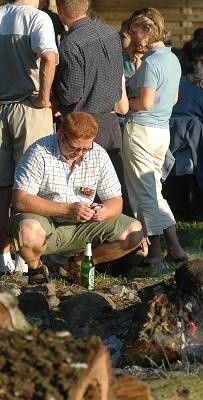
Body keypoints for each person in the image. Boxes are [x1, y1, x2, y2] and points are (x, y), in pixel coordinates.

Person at [8, 112, 144, 285]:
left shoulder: (99, 155)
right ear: (60, 135)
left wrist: (104, 212)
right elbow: (20, 199)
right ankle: (36, 270)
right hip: (45, 224)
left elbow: (116, 201)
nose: (80, 154)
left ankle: (77, 264)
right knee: (27, 229)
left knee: (134, 232)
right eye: (74, 148)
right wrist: (68, 209)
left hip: (82, 227)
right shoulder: (39, 152)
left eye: (86, 148)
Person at [123, 7, 188, 265]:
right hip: (162, 131)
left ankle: (155, 252)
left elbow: (146, 102)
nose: (133, 35)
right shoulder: (172, 59)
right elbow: (173, 98)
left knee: (143, 194)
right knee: (154, 190)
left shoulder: (152, 62)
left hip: (141, 129)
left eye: (136, 30)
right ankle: (175, 247)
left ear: (148, 30)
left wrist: (128, 102)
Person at [54, 0, 130, 215]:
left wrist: (54, 89)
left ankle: (87, 244)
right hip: (111, 121)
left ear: (60, 9)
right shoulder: (110, 33)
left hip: (84, 126)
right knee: (113, 190)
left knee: (85, 192)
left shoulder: (71, 43)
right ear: (86, 5)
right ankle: (126, 241)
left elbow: (71, 93)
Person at [0, 0, 58, 273]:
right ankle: (27, 258)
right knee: (32, 185)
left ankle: (3, 257)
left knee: (2, 187)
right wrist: (44, 98)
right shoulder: (38, 18)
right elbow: (48, 56)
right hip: (27, 107)